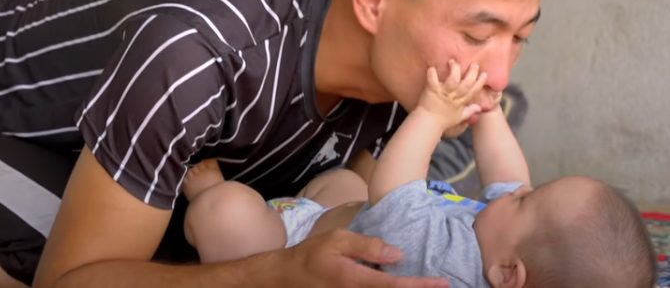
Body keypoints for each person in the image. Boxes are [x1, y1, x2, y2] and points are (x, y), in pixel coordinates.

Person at [1, 0, 547, 288]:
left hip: (152, 164)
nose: (497, 77)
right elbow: (72, 280)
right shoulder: (201, 49)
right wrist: (275, 272)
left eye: (519, 37)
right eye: (477, 36)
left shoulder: (408, 71)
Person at [183, 62, 657, 288]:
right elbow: (509, 175)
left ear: (508, 274)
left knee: (227, 214)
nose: (518, 191)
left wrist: (433, 113)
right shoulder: (505, 243)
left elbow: (394, 187)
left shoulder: (441, 264)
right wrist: (487, 111)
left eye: (525, 201)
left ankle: (208, 192)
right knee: (347, 185)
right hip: (342, 216)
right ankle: (299, 198)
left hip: (291, 253)